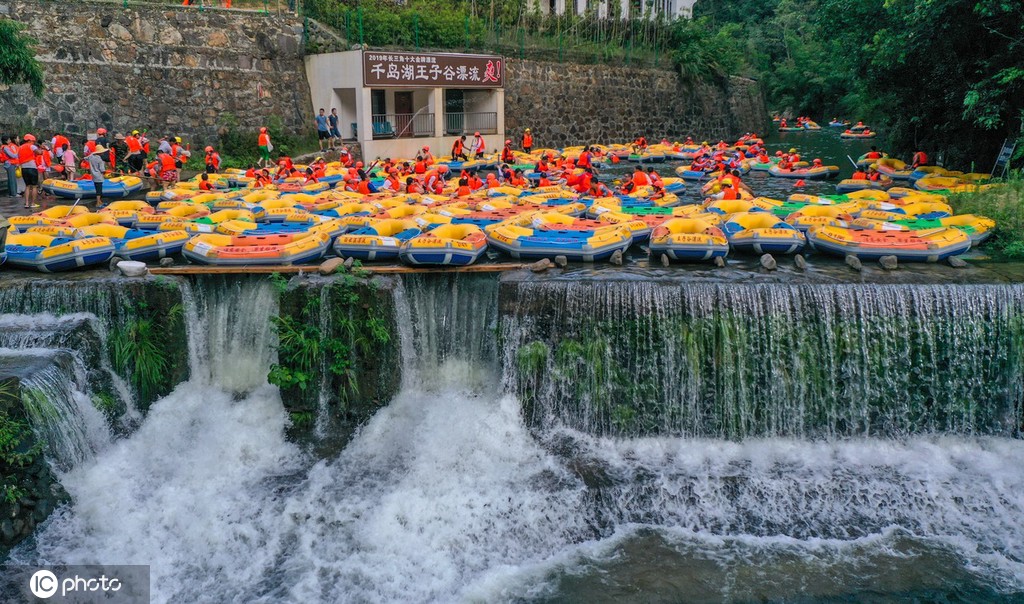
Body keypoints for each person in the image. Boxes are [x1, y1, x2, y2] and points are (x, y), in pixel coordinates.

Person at [18, 134, 40, 209]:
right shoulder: (31, 146)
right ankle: (33, 203)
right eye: (33, 141)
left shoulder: (20, 147)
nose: (33, 142)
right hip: (32, 168)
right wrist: (43, 149)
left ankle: (27, 203)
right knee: (34, 186)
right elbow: (39, 152)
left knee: (27, 186)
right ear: (29, 140)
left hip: (24, 168)